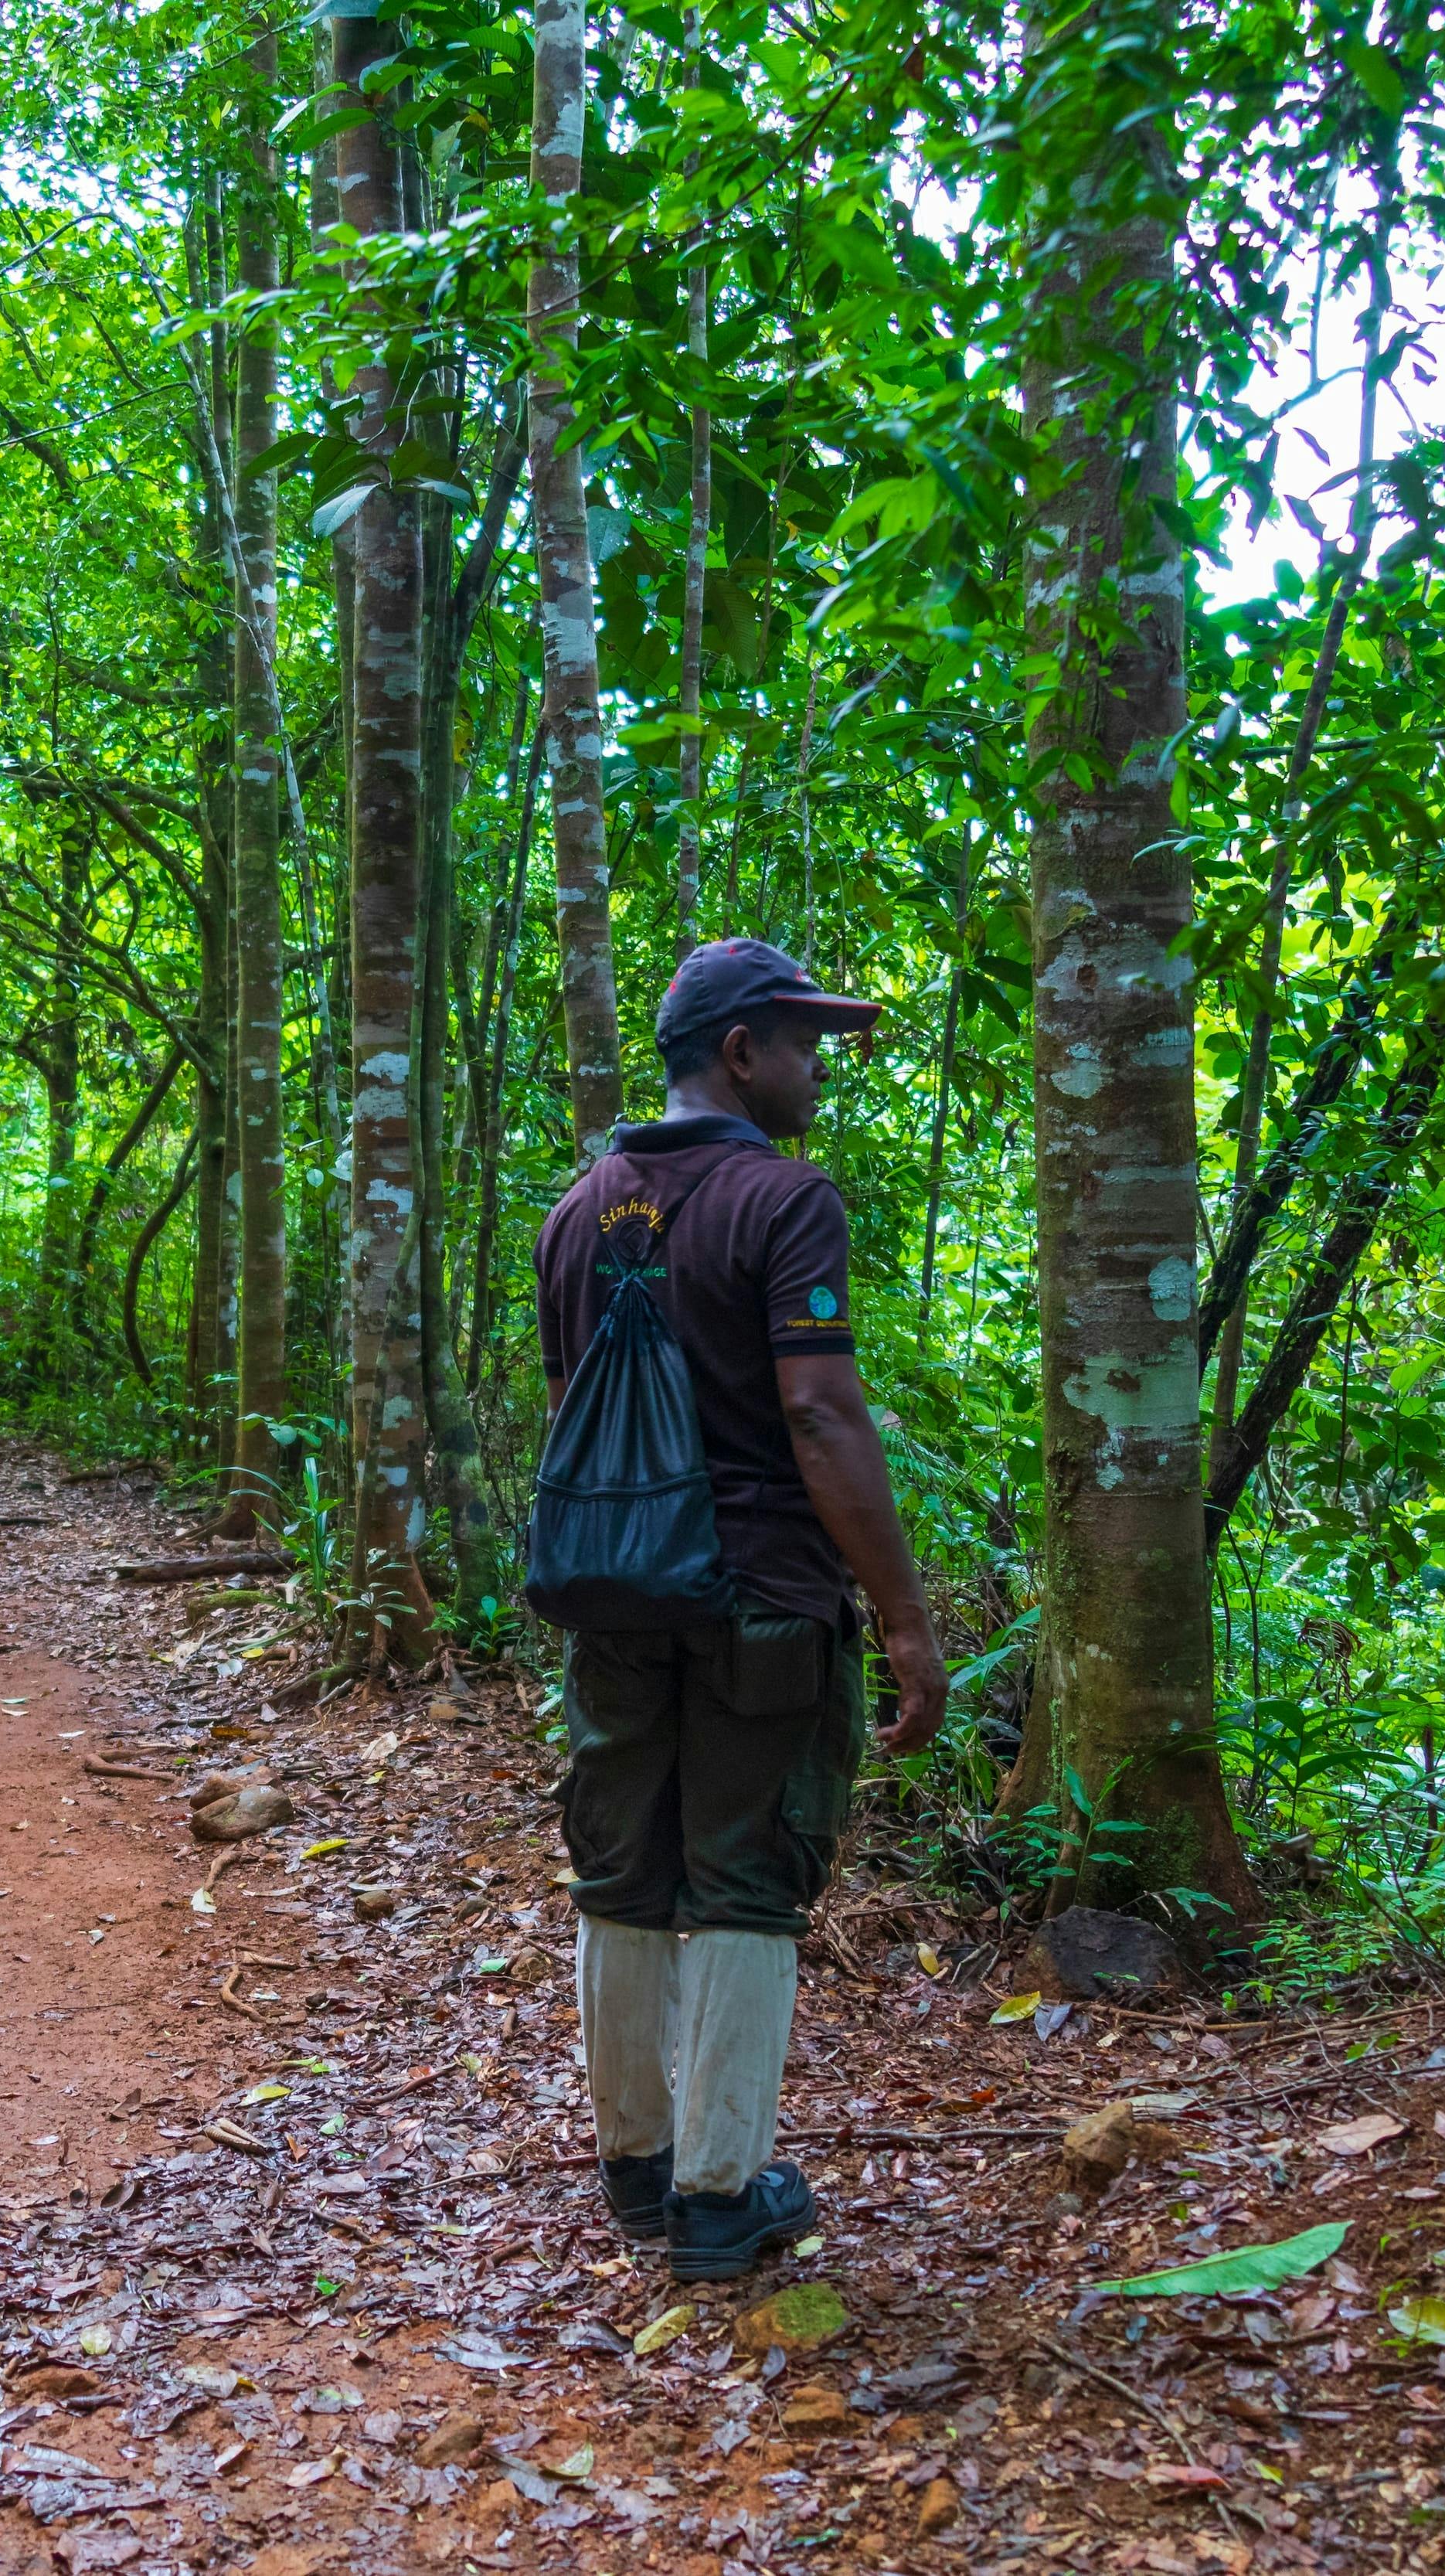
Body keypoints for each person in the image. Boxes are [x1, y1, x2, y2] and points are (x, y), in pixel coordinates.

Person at [530, 936, 953, 2280]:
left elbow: (566, 1418)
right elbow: (820, 1411)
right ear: (739, 1053)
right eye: (801, 1041)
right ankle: (721, 2193)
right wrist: (901, 1615)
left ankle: (639, 2169)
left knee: (624, 1873)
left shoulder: (577, 1209)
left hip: (609, 1598)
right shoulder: (784, 1201)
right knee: (746, 1883)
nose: (815, 1067)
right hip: (762, 1602)